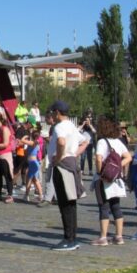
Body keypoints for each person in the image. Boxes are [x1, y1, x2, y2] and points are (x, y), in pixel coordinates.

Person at [50, 101, 88, 251]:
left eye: (53, 112)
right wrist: (73, 154)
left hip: (62, 166)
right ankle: (73, 237)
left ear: (58, 112)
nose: (52, 115)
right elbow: (85, 141)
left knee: (64, 203)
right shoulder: (72, 126)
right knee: (71, 203)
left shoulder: (60, 127)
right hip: (71, 163)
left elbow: (61, 141)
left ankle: (68, 238)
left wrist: (60, 157)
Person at [90, 117, 132, 246]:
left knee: (104, 206)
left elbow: (98, 158)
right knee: (116, 206)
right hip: (116, 178)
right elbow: (128, 157)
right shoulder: (118, 142)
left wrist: (100, 172)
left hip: (104, 179)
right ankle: (119, 236)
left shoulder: (102, 142)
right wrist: (118, 168)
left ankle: (103, 237)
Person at [38, 111, 57, 207]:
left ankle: (49, 198)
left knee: (50, 177)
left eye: (46, 119)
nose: (45, 121)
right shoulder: (53, 127)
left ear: (51, 119)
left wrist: (44, 138)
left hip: (54, 156)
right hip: (53, 155)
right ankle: (52, 197)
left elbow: (53, 140)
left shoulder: (54, 127)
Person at [21, 130, 43, 202]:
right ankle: (41, 195)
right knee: (35, 180)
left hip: (33, 163)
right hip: (33, 163)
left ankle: (26, 195)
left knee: (29, 179)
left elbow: (22, 140)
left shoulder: (32, 142)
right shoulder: (36, 142)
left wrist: (26, 136)